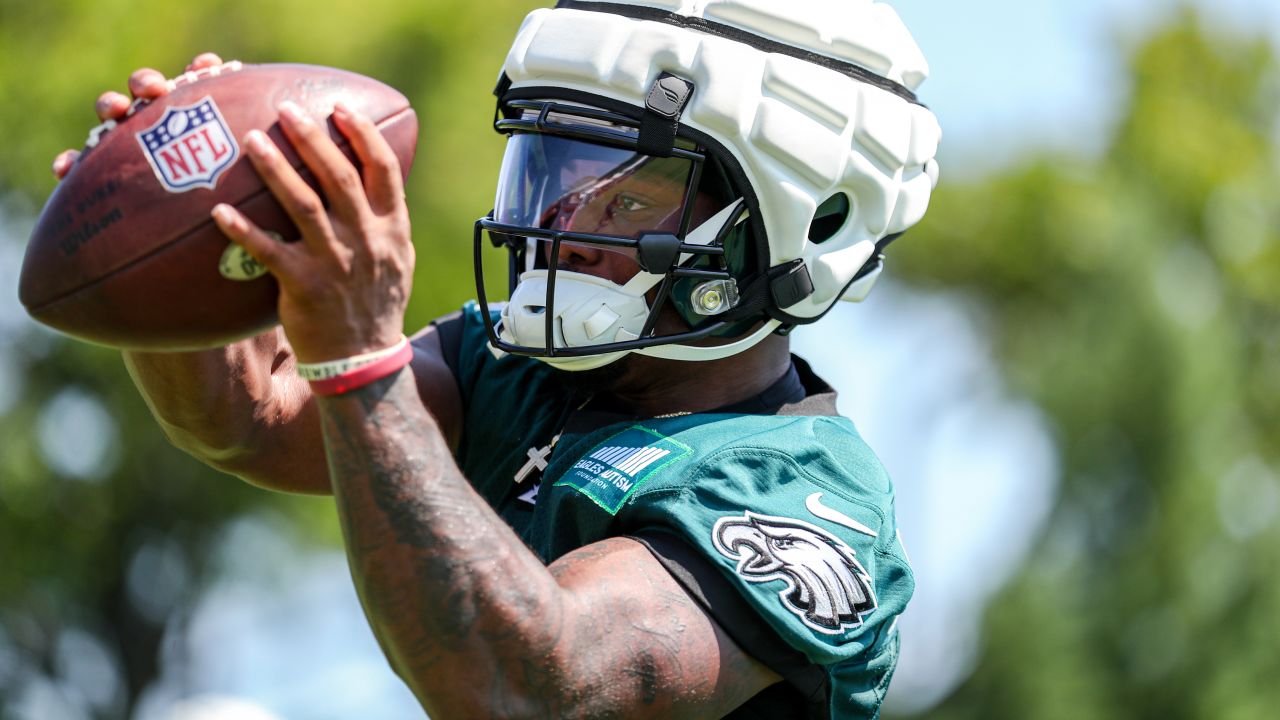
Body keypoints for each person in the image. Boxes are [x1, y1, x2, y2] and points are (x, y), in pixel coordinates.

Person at [55, 1, 940, 717]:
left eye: (625, 196)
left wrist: (360, 351)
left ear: (794, 230)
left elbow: (524, 687)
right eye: (551, 169)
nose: (557, 223)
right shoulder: (519, 369)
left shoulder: (804, 498)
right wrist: (194, 240)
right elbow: (252, 418)